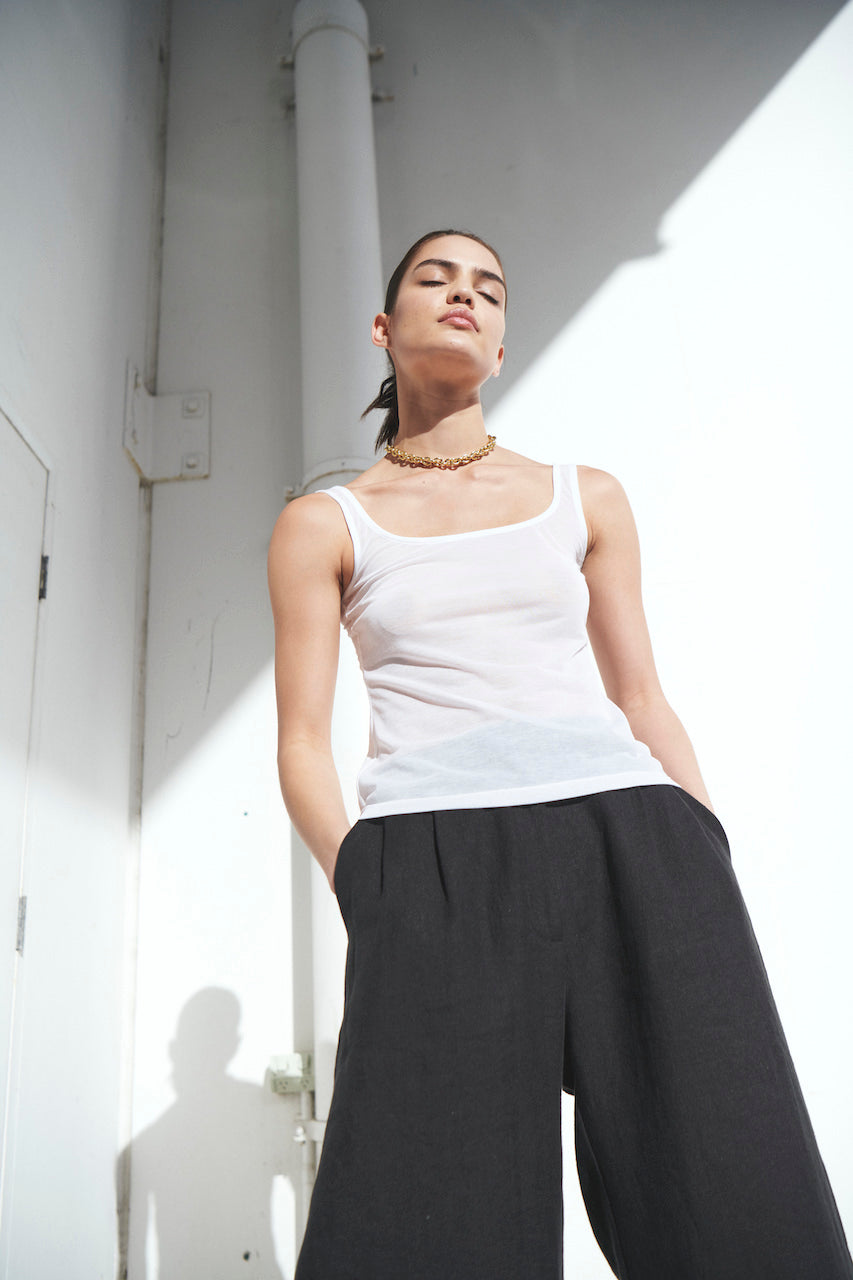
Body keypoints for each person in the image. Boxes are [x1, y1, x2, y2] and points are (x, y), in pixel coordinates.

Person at [268, 230, 852, 1280]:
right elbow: (302, 739)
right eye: (436, 278)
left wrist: (701, 845)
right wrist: (367, 883)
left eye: (487, 288)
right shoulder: (326, 522)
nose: (464, 294)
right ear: (384, 328)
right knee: (428, 1208)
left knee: (728, 1180)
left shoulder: (585, 494)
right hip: (432, 860)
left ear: (499, 346)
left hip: (629, 837)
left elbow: (640, 694)